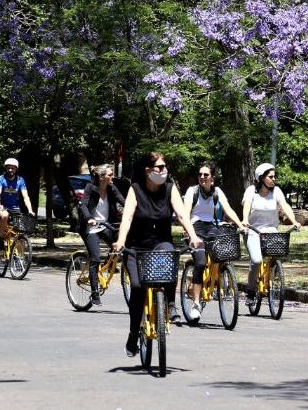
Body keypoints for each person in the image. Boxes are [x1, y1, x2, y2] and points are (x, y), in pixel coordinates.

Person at [113, 152, 203, 357]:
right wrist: (120, 241)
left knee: (170, 255)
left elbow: (181, 214)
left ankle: (170, 304)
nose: (164, 171)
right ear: (148, 171)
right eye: (159, 167)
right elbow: (126, 218)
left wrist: (193, 236)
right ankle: (133, 333)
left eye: (165, 167)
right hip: (136, 246)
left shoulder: (170, 189)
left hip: (160, 243)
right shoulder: (135, 190)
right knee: (137, 288)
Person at [182, 161, 245, 321]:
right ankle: (196, 303)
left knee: (224, 251)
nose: (202, 177)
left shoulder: (217, 192)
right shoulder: (192, 191)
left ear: (212, 179)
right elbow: (186, 211)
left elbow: (228, 209)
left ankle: (218, 278)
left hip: (211, 227)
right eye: (200, 175)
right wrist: (189, 232)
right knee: (201, 263)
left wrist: (240, 225)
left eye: (206, 175)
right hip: (195, 227)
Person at [242, 163, 301, 307]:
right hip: (253, 231)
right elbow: (246, 206)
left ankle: (273, 279)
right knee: (256, 261)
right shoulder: (251, 191)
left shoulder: (277, 191)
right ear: (261, 178)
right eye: (270, 177)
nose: (273, 179)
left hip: (271, 231)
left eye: (274, 177)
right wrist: (244, 221)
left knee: (277, 254)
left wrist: (294, 221)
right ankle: (250, 291)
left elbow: (284, 205)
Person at [79, 164, 126, 306]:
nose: (112, 177)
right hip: (91, 227)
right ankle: (94, 293)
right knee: (95, 258)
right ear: (101, 177)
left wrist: (135, 211)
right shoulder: (90, 188)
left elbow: (123, 201)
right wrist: (89, 218)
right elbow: (83, 205)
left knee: (121, 244)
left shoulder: (111, 188)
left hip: (106, 226)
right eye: (110, 175)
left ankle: (106, 265)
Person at [0, 158, 35, 250]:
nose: (10, 170)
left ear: (16, 169)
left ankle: (20, 256)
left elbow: (25, 196)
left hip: (15, 208)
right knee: (4, 216)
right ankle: (1, 238)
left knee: (22, 231)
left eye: (12, 168)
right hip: (3, 207)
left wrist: (30, 210)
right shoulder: (1, 179)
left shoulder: (20, 180)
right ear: (5, 168)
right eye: (8, 168)